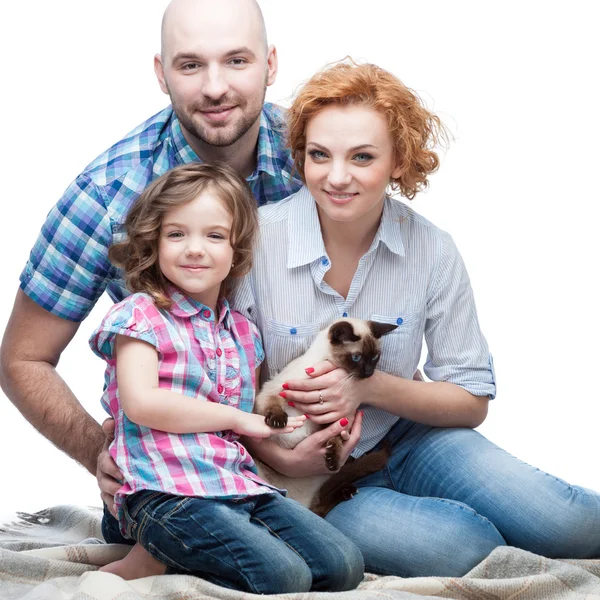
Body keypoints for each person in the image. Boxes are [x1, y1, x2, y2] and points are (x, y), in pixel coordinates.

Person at [226, 60, 600, 576]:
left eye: (362, 156)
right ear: (300, 157)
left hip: (412, 437)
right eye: (319, 155)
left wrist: (368, 388)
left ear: (399, 161)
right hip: (310, 477)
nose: (337, 177)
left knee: (567, 525)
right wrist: (283, 458)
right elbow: (219, 389)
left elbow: (470, 400)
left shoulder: (432, 250)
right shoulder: (257, 242)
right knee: (466, 548)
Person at [0, 0, 303, 490]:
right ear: (162, 74)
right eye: (190, 65)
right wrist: (103, 455)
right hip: (178, 475)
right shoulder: (107, 194)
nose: (214, 87)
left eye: (237, 60)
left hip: (317, 436)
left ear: (270, 64)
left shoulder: (317, 158)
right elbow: (22, 359)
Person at [88, 161, 364, 591]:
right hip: (163, 490)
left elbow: (251, 418)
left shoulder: (242, 332)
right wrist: (235, 418)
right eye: (176, 234)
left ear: (236, 251)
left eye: (214, 235)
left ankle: (189, 551)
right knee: (283, 575)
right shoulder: (139, 316)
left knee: (343, 565)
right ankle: (150, 554)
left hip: (234, 483)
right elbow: (142, 404)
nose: (195, 249)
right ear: (154, 243)